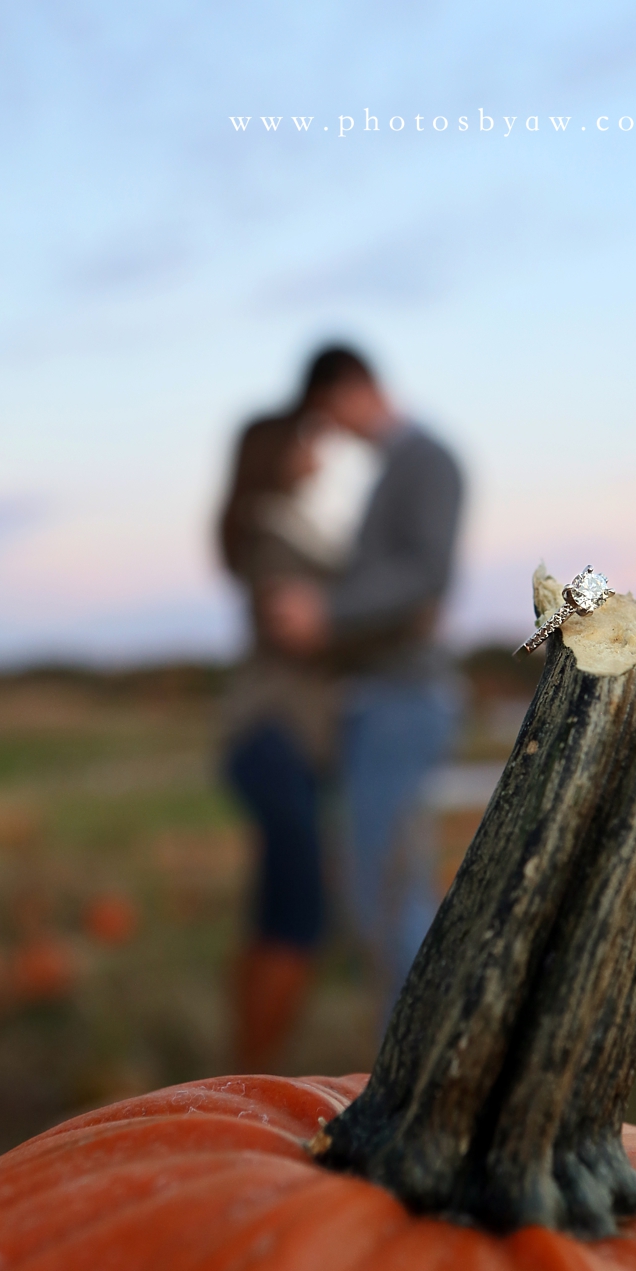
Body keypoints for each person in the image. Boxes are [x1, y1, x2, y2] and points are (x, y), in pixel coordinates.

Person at [268, 345, 464, 1015]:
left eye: (329, 414)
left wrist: (328, 611)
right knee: (375, 889)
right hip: (380, 699)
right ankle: (413, 1074)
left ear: (354, 389)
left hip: (401, 699)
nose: (335, 432)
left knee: (387, 893)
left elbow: (425, 577)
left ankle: (420, 1088)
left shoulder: (427, 459)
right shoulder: (397, 467)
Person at [218, 403, 342, 1071]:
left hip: (277, 741)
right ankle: (255, 1073)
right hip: (273, 737)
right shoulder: (273, 531)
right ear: (278, 453)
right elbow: (298, 627)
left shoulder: (281, 526)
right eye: (305, 438)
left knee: (276, 910)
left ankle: (244, 1068)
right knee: (299, 913)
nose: (317, 447)